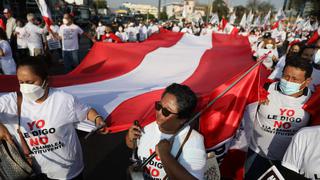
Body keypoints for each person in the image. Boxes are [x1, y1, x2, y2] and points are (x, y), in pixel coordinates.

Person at [0, 56, 108, 179]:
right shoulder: (12, 101)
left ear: (46, 80)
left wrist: (98, 119)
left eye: (30, 82)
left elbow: (87, 111)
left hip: (68, 172)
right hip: (34, 171)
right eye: (21, 82)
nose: (25, 87)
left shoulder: (64, 100)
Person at [245, 58, 313, 179]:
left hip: (287, 162)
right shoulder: (265, 88)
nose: (288, 81)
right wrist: (254, 100)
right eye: (286, 76)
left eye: (295, 79)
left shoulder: (313, 100)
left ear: (307, 81)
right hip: (256, 154)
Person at [126, 83, 206, 179]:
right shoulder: (147, 126)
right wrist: (130, 138)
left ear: (182, 119)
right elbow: (132, 145)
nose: (158, 112)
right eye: (159, 106)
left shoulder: (193, 141)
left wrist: (165, 154)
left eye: (166, 111)